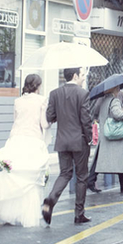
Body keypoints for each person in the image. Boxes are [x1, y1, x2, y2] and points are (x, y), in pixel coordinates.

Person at [0, 74, 51, 227]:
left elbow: (15, 121)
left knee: (14, 175)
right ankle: (26, 214)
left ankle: (9, 215)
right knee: (30, 178)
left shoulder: (17, 101)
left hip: (15, 139)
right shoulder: (42, 100)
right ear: (37, 86)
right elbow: (44, 123)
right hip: (33, 140)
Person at [41, 67, 93, 225]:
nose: (84, 78)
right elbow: (86, 120)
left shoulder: (54, 94)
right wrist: (89, 138)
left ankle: (51, 199)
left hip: (62, 140)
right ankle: (79, 214)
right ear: (75, 75)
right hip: (80, 140)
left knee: (65, 173)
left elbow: (50, 117)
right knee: (82, 177)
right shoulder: (83, 94)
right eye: (82, 75)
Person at [91, 85, 123, 193]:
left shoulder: (102, 99)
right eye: (117, 89)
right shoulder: (115, 100)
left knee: (104, 159)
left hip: (105, 132)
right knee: (121, 159)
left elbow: (98, 112)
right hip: (114, 133)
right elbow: (116, 114)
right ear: (115, 89)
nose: (119, 90)